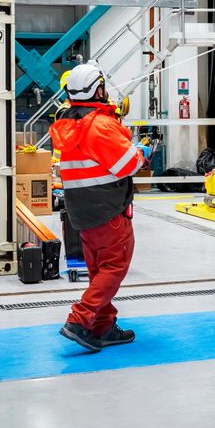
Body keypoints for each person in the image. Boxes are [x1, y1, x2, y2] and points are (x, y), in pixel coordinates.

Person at [50, 62, 143, 352]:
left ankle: (102, 326)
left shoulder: (67, 124)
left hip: (81, 212)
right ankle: (79, 321)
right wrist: (143, 151)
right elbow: (129, 164)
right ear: (98, 89)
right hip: (108, 210)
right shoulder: (101, 126)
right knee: (114, 267)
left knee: (99, 268)